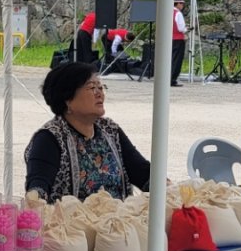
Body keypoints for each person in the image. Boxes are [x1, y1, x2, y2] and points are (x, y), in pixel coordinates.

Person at [24, 61, 151, 200]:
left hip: (119, 212)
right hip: (73, 214)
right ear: (67, 99)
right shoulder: (49, 138)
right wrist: (35, 198)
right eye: (92, 87)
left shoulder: (110, 129)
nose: (99, 93)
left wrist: (166, 188)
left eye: (101, 87)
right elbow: (38, 186)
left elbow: (141, 171)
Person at [168, 0, 188, 86]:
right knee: (177, 60)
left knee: (171, 58)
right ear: (178, 3)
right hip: (178, 39)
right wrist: (186, 29)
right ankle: (172, 79)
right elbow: (181, 28)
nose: (183, 5)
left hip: (170, 38)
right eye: (182, 3)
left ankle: (168, 78)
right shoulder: (178, 13)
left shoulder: (168, 12)